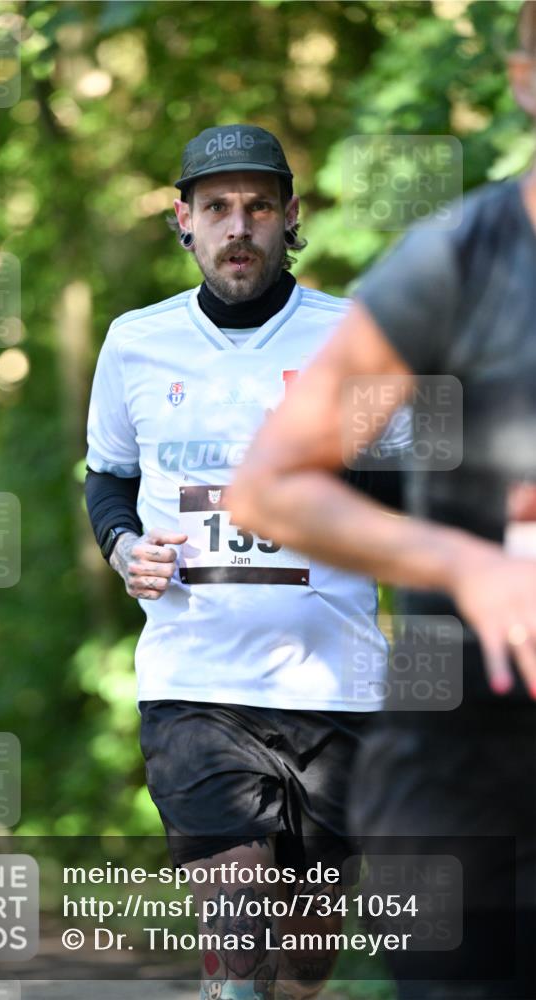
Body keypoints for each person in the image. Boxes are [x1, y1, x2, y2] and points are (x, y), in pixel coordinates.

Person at [229, 5, 536, 998]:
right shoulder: (457, 264)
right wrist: (467, 562)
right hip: (465, 787)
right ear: (526, 80)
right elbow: (271, 483)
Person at [84, 124, 407, 1000]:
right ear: (181, 221)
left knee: (301, 970)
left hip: (336, 690)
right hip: (195, 686)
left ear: (289, 216)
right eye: (216, 207)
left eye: (258, 206)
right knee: (240, 942)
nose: (238, 226)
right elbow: (108, 478)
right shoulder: (134, 342)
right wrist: (121, 549)